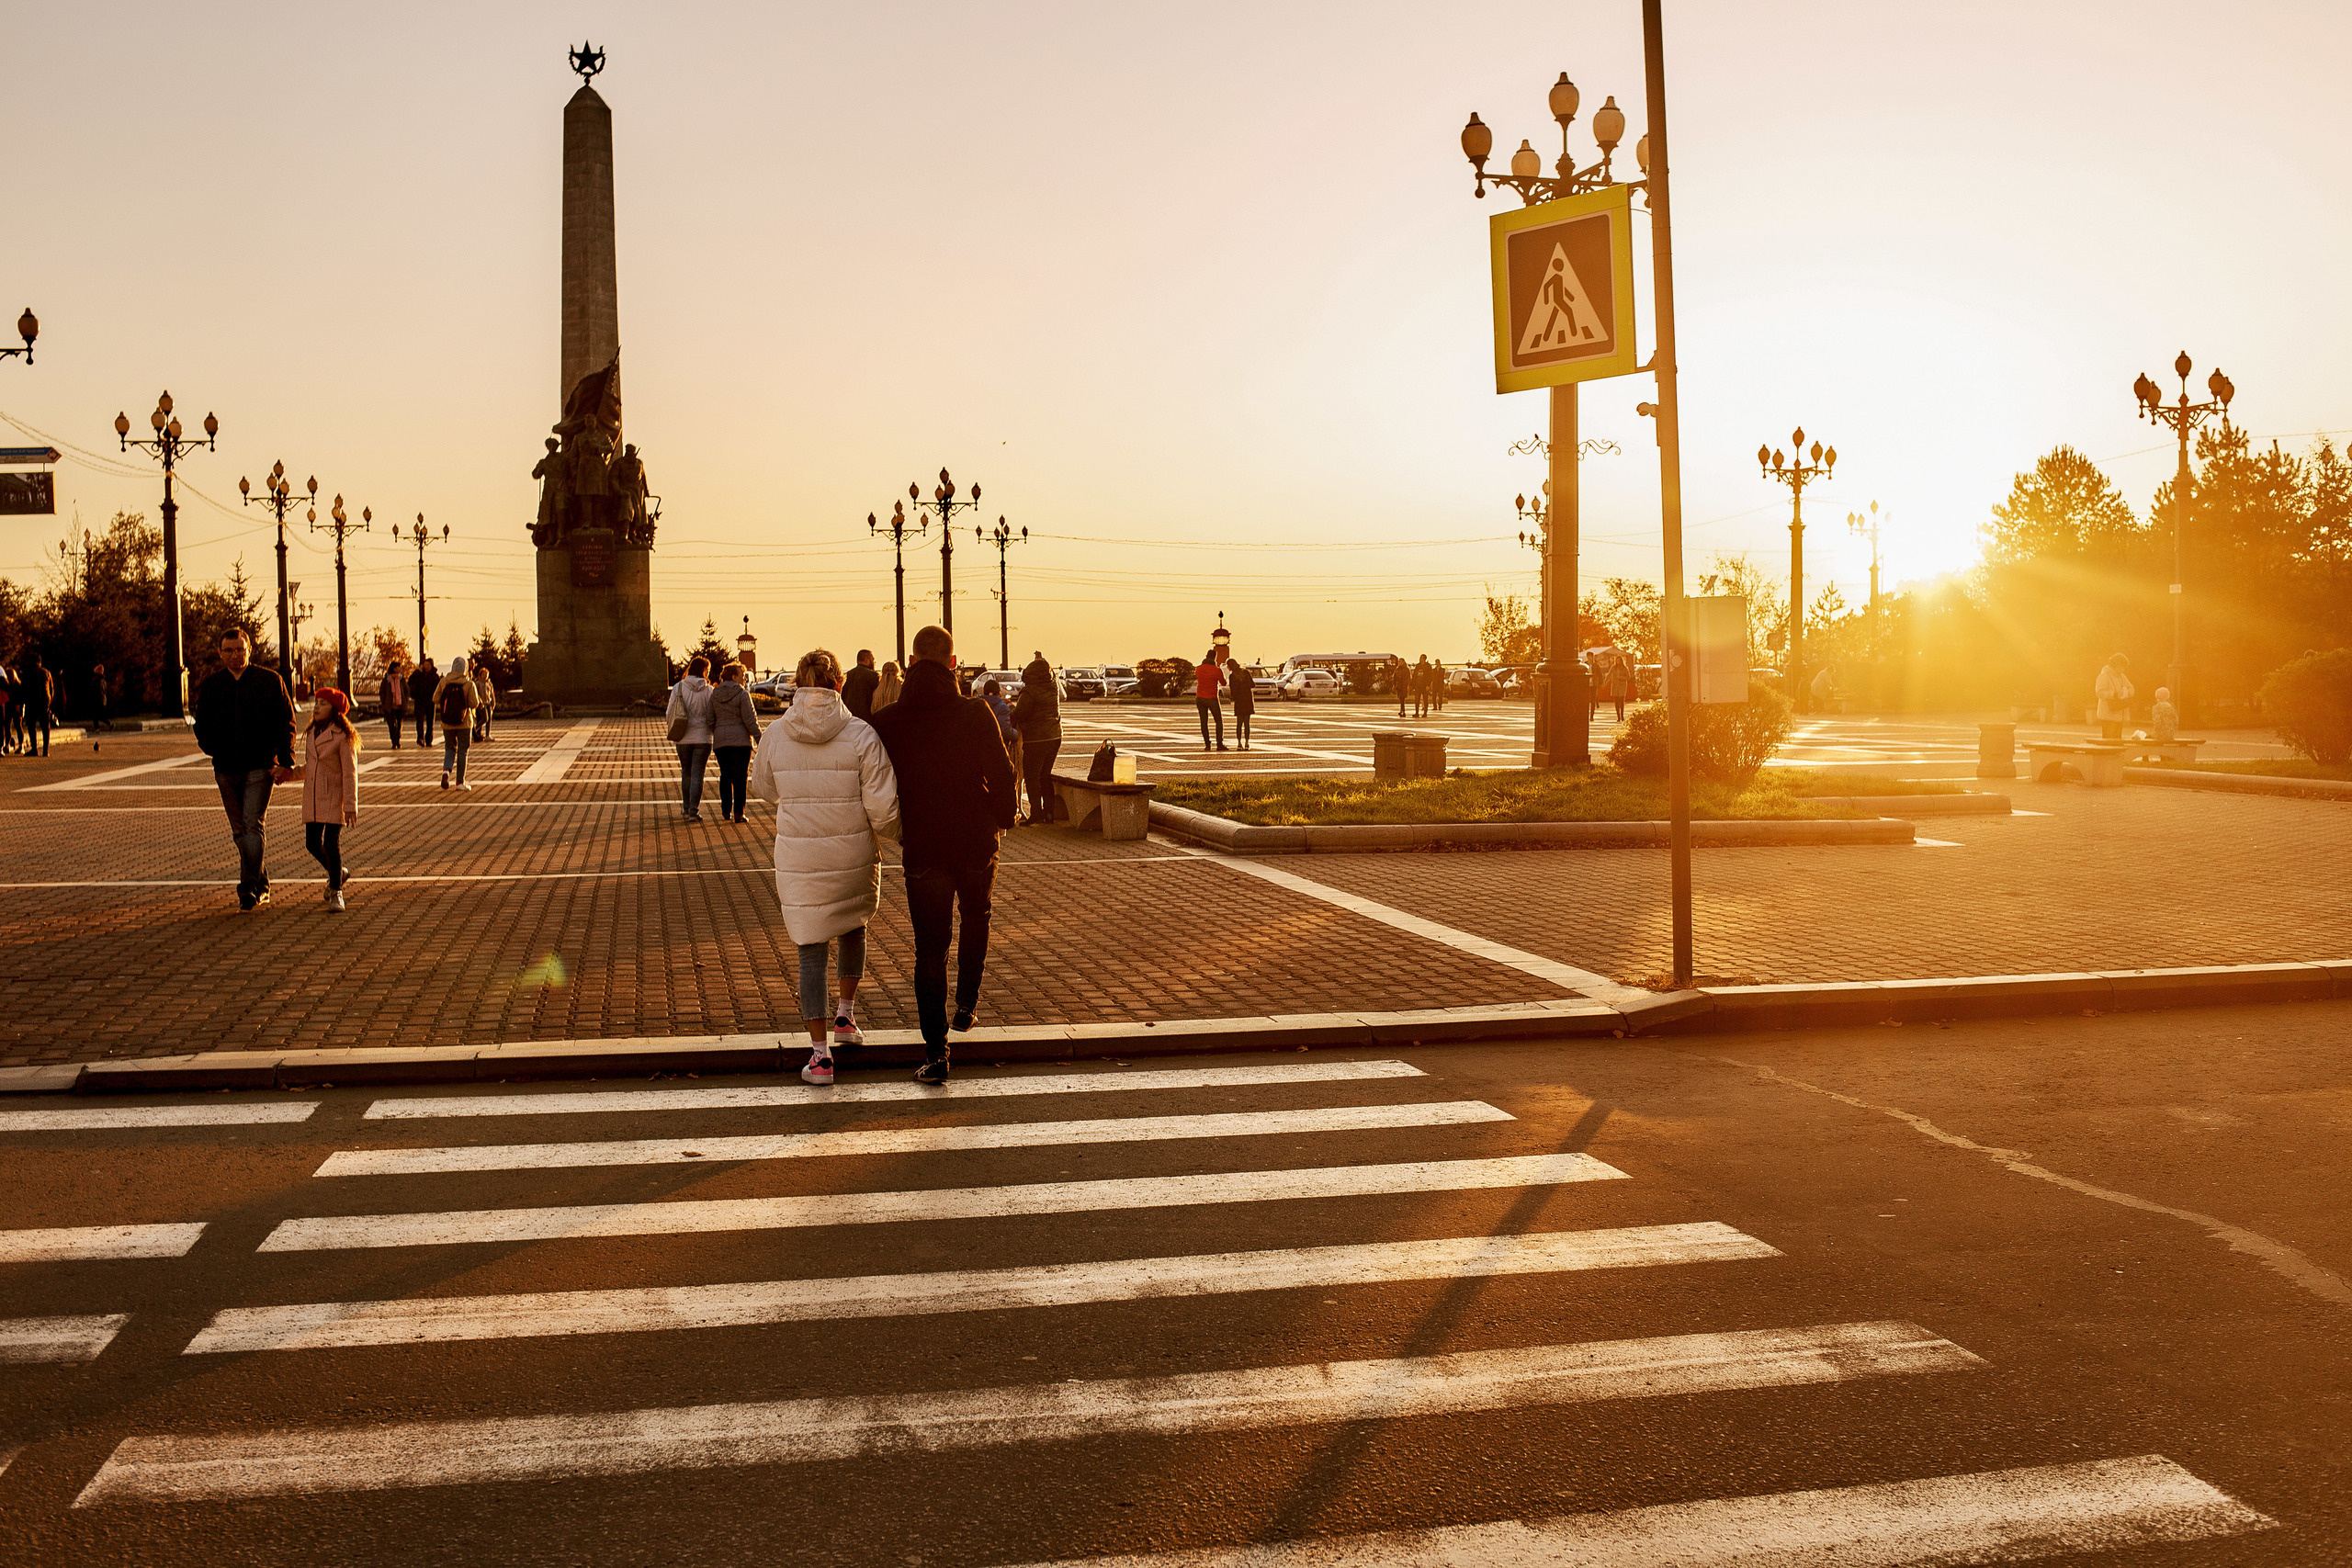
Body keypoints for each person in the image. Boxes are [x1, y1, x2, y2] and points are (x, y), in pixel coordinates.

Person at [868, 624, 1018, 1083]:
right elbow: (1004, 772)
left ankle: (936, 1054)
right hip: (975, 840)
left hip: (924, 846)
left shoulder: (888, 721)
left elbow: (872, 780)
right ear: (953, 663)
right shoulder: (975, 714)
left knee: (929, 949)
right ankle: (967, 1005)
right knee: (977, 915)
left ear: (912, 662)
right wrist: (1004, 819)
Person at [751, 648, 899, 1086]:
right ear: (839, 684)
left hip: (800, 856)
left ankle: (820, 1057)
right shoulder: (860, 734)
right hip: (852, 851)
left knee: (810, 947)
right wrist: (895, 834)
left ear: (798, 683)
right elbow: (883, 804)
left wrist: (795, 799)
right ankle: (846, 1017)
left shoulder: (777, 733)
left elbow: (762, 787)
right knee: (854, 924)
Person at [193, 628, 295, 911]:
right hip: (226, 767)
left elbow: (286, 721)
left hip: (260, 766)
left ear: (250, 650)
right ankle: (261, 883)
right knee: (240, 831)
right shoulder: (213, 685)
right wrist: (213, 748)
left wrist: (286, 761)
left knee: (253, 825)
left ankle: (247, 887)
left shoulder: (269, 681)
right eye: (229, 650)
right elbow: (201, 725)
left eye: (240, 649)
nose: (235, 655)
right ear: (220, 653)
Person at [290, 687, 361, 911]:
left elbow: (350, 773)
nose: (317, 707)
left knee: (331, 843)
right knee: (312, 843)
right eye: (317, 702)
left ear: (335, 710)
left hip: (334, 796)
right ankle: (338, 872)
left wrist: (350, 805)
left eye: (323, 703)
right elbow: (310, 767)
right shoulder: (312, 733)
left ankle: (336, 892)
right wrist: (287, 774)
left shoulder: (343, 737)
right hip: (312, 796)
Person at [666, 654, 718, 822]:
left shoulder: (678, 688)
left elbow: (669, 713)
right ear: (703, 670)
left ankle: (685, 807)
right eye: (707, 670)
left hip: (683, 738)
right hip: (703, 738)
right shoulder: (710, 691)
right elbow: (713, 715)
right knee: (698, 774)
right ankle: (694, 811)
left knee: (686, 772)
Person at [1012, 654, 1062, 819]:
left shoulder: (1029, 691)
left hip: (1036, 738)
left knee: (1032, 776)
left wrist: (1010, 712)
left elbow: (1020, 712)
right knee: (1045, 775)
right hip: (1055, 736)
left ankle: (1036, 813)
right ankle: (1049, 813)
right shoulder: (1052, 687)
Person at [712, 661, 763, 823]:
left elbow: (709, 718)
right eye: (742, 676)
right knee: (740, 777)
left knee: (725, 775)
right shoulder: (742, 695)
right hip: (741, 743)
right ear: (734, 677)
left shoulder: (714, 694)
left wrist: (719, 730)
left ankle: (726, 811)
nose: (744, 680)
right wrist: (759, 739)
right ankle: (739, 814)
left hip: (721, 743)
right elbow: (750, 720)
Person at [980, 679, 1023, 816]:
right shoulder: (1002, 706)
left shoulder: (977, 704)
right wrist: (1018, 735)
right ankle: (1007, 812)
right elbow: (1005, 730)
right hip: (998, 749)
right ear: (998, 692)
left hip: (980, 749)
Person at [435, 655, 477, 791]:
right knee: (463, 751)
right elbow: (474, 703)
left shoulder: (444, 682)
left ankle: (446, 771)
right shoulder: (469, 684)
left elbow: (435, 698)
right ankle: (460, 782)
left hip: (447, 722)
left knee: (449, 748)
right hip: (464, 722)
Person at [2095, 653, 2134, 740]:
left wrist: (2126, 692)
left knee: (2117, 742)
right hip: (2108, 715)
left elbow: (2131, 688)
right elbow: (2099, 692)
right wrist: (2114, 695)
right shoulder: (2104, 675)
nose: (2123, 670)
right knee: (2109, 742)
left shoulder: (2122, 676)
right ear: (2116, 665)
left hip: (2119, 715)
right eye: (2122, 667)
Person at [1193, 648, 1227, 751]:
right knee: (1218, 721)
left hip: (1200, 697)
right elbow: (1223, 683)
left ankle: (1207, 744)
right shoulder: (1217, 670)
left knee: (1204, 722)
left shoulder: (1198, 669)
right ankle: (1219, 744)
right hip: (1212, 697)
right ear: (1214, 657)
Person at [19, 653, 51, 757]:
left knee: (31, 726)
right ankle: (45, 750)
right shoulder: (46, 672)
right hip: (44, 703)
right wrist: (49, 703)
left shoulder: (26, 673)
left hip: (31, 703)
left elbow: (23, 689)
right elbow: (51, 689)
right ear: (40, 661)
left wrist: (22, 704)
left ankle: (34, 749)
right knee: (45, 727)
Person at [408, 657, 439, 749]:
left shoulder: (435, 676)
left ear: (431, 665)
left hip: (430, 701)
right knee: (419, 721)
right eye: (425, 665)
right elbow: (410, 681)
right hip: (419, 701)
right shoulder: (418, 674)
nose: (426, 667)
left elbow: (438, 688)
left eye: (428, 665)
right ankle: (420, 738)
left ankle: (429, 739)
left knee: (430, 722)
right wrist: (417, 672)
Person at [842, 649, 881, 720]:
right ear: (866, 660)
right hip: (866, 718)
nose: (874, 662)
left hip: (848, 717)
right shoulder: (873, 675)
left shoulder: (847, 675)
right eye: (873, 660)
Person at [378, 660, 409, 748]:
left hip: (400, 706)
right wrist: (384, 702)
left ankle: (398, 740)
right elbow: (382, 692)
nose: (400, 668)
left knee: (399, 725)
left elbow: (407, 690)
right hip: (390, 706)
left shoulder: (401, 679)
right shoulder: (387, 679)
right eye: (398, 667)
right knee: (391, 725)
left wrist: (405, 700)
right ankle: (394, 741)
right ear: (394, 668)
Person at [1228, 658, 1256, 750]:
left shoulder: (1232, 676)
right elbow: (1252, 685)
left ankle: (1239, 743)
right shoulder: (1246, 672)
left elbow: (1233, 691)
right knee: (1247, 723)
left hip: (1239, 701)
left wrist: (1235, 696)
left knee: (1239, 723)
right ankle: (1247, 743)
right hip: (1247, 699)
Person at [472, 660, 496, 742]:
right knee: (484, 719)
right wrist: (479, 702)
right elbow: (476, 694)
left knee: (489, 719)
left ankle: (487, 735)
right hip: (481, 704)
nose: (485, 676)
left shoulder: (489, 683)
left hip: (488, 703)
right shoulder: (477, 683)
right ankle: (474, 731)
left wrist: (493, 703)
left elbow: (492, 694)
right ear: (480, 675)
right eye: (483, 674)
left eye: (486, 674)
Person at [87, 662, 112, 732]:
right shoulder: (103, 681)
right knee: (99, 715)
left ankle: (100, 727)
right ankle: (108, 724)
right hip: (103, 700)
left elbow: (96, 691)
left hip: (98, 700)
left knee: (96, 715)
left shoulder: (97, 681)